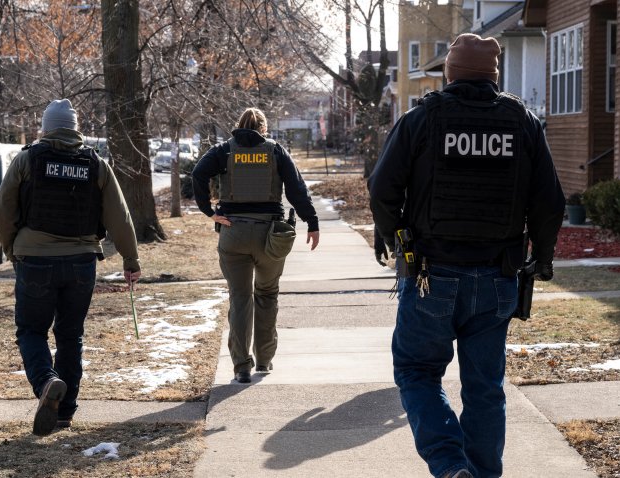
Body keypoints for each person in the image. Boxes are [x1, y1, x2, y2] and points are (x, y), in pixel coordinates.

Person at [368, 34, 565, 478]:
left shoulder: (421, 119)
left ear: (450, 72)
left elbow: (382, 188)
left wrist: (394, 236)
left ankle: (451, 466)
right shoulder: (524, 122)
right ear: (494, 77)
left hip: (430, 275)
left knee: (418, 371)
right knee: (485, 389)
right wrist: (545, 256)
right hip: (499, 277)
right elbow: (551, 201)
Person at [0, 99, 141, 436]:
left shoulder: (27, 159)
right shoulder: (95, 164)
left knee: (31, 331)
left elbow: (2, 211)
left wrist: (12, 249)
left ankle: (47, 382)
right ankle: (64, 413)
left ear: (45, 128)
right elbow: (119, 217)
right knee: (70, 335)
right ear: (76, 129)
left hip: (35, 260)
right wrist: (131, 260)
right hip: (81, 263)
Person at [192, 107, 320, 384]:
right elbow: (296, 189)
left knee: (240, 299)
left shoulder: (224, 151)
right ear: (264, 128)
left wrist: (209, 211)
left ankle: (241, 366)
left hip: (233, 231)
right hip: (269, 236)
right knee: (267, 294)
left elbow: (198, 174)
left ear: (238, 126)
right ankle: (264, 359)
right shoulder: (275, 151)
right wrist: (312, 221)